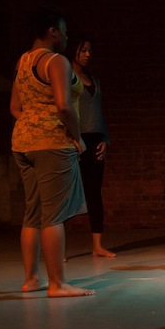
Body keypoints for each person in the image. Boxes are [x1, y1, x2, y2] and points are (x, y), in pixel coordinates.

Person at [9, 6, 94, 297]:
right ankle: (57, 283)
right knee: (53, 215)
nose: (67, 36)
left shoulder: (23, 61)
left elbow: (15, 107)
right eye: (64, 31)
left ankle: (31, 279)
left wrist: (33, 124)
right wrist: (77, 137)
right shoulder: (56, 61)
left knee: (32, 212)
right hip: (52, 144)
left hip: (23, 143)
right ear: (52, 32)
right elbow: (63, 105)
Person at [65, 35, 116, 258]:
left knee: (95, 193)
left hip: (95, 141)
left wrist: (105, 139)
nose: (88, 54)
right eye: (83, 49)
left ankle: (97, 245)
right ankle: (59, 249)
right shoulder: (66, 78)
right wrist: (73, 139)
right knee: (69, 195)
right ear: (74, 51)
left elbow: (98, 113)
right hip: (76, 140)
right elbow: (63, 110)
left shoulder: (94, 80)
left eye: (90, 50)